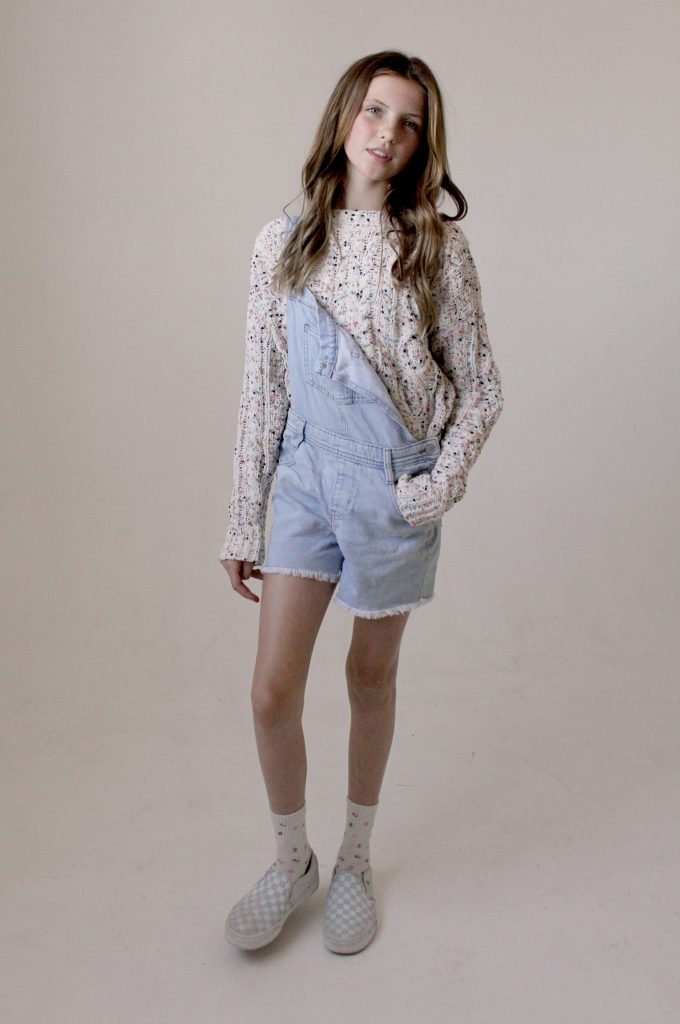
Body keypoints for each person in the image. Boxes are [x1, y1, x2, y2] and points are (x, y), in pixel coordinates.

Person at [219, 50, 503, 955]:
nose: (388, 133)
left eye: (409, 122)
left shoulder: (437, 250)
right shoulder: (282, 241)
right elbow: (264, 389)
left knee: (368, 679)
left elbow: (481, 388)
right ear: (345, 116)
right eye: (375, 110)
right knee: (272, 691)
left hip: (393, 487)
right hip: (307, 475)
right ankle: (291, 860)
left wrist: (436, 488)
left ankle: (352, 861)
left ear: (423, 143)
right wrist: (245, 516)